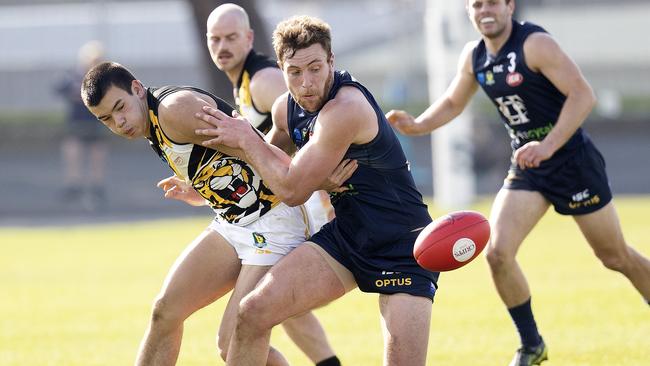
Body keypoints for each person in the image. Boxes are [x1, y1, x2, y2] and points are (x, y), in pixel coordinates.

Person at [386, 1, 650, 365]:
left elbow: (582, 95)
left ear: (509, 6)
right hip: (528, 167)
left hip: (572, 162)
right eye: (476, 4)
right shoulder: (474, 56)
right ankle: (531, 345)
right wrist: (418, 125)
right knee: (497, 252)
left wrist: (547, 145)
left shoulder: (535, 44)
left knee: (614, 256)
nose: (484, 10)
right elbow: (452, 102)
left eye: (493, 2)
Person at [195, 15, 439, 366]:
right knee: (251, 314)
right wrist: (201, 188)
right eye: (294, 72)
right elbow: (267, 168)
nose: (307, 83)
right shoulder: (286, 109)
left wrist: (247, 138)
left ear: (331, 62)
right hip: (346, 237)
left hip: (402, 244)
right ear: (282, 70)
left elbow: (292, 188)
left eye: (315, 68)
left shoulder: (346, 109)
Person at [80, 61, 351, 366]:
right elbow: (227, 161)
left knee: (233, 341)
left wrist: (311, 178)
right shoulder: (151, 122)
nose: (119, 122)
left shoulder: (174, 110)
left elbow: (253, 145)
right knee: (165, 312)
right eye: (106, 119)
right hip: (234, 222)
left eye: (120, 107)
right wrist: (198, 190)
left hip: (273, 221)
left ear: (137, 89)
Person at [205, 3, 335, 228]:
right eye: (215, 39)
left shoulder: (263, 80)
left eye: (231, 37)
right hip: (288, 197)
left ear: (249, 37)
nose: (222, 46)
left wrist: (325, 190)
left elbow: (315, 126)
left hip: (309, 198)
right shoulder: (243, 82)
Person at [54, 40, 108, 210]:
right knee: (72, 150)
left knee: (97, 152)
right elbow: (59, 88)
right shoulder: (73, 75)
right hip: (77, 121)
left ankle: (97, 186)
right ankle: (73, 184)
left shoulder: (104, 77)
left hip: (96, 120)